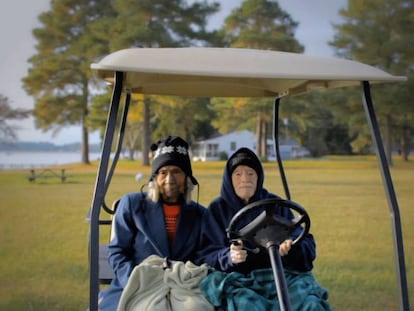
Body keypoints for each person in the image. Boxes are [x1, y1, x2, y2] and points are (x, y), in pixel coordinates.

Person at [195, 147, 332, 310]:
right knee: (246, 305)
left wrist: (291, 246)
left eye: (251, 173)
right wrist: (229, 256)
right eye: (238, 174)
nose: (245, 179)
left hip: (280, 275)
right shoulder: (217, 210)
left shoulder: (275, 204)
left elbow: (306, 245)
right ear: (229, 179)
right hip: (240, 280)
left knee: (311, 304)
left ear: (259, 177)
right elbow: (205, 255)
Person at [99, 135, 211, 311]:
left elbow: (205, 255)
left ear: (187, 178)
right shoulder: (132, 205)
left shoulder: (200, 214)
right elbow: (118, 251)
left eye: (176, 172)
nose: (169, 179)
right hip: (140, 283)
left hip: (183, 286)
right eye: (163, 172)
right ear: (154, 177)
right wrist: (133, 281)